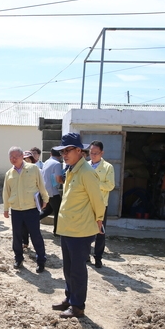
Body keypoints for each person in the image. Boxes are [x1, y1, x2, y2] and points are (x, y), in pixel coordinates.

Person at [51, 133, 104, 318]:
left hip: (81, 230)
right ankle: (69, 298)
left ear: (79, 151)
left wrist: (99, 221)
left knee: (77, 270)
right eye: (63, 151)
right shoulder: (72, 170)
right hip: (68, 228)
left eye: (68, 150)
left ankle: (78, 306)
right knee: (68, 268)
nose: (64, 154)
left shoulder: (87, 173)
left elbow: (97, 200)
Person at [3, 147, 50, 273]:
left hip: (31, 209)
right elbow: (6, 192)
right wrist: (6, 208)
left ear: (22, 156)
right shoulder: (9, 173)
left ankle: (41, 260)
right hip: (16, 210)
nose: (13, 159)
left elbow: (41, 184)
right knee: (17, 236)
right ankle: (18, 258)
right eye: (11, 157)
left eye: (16, 156)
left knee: (36, 235)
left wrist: (45, 199)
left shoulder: (33, 168)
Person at [88, 140, 115, 269]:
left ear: (102, 153)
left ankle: (98, 257)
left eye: (96, 153)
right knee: (86, 230)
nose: (93, 155)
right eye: (91, 152)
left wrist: (95, 184)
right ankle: (86, 255)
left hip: (101, 204)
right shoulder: (86, 165)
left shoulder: (108, 167)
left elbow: (110, 185)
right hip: (86, 204)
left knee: (100, 232)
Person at [39, 147, 64, 237]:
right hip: (53, 191)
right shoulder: (57, 164)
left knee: (48, 210)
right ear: (60, 155)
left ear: (50, 154)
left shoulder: (46, 162)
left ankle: (31, 222)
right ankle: (57, 231)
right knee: (59, 211)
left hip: (45, 190)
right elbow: (58, 178)